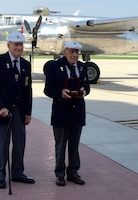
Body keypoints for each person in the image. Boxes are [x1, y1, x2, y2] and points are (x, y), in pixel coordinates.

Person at [0, 32, 35, 189]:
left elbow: (28, 91)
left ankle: (18, 173)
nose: (19, 48)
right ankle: (1, 175)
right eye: (16, 45)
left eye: (21, 45)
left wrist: (27, 112)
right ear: (9, 45)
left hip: (19, 113)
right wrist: (1, 107)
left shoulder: (26, 65)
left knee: (20, 143)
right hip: (1, 112)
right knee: (2, 145)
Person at [43, 41, 90, 186]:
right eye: (71, 52)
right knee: (61, 144)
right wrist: (60, 93)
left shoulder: (82, 67)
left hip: (77, 112)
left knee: (74, 144)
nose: (75, 55)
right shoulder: (54, 67)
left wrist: (84, 91)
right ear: (65, 52)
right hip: (61, 112)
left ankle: (73, 172)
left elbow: (87, 86)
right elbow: (48, 89)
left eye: (77, 52)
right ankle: (60, 173)